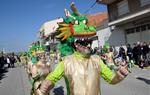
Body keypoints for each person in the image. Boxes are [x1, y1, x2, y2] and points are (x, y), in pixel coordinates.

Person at [36, 3, 129, 95]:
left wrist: (119, 75)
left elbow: (111, 79)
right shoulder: (66, 62)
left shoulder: (97, 60)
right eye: (84, 43)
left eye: (90, 42)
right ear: (76, 44)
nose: (88, 45)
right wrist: (47, 84)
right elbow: (52, 78)